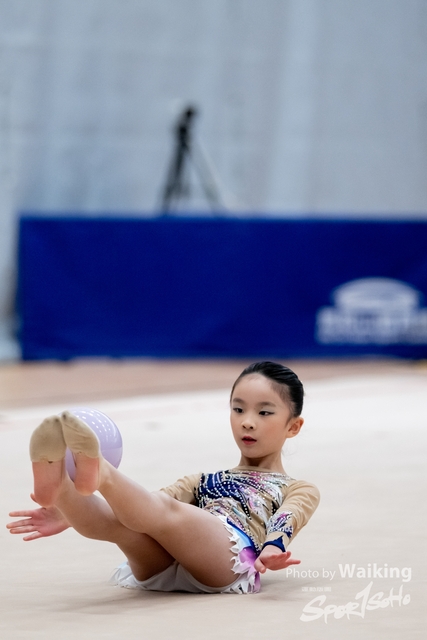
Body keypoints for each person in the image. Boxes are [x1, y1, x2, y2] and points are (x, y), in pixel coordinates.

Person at [7, 361, 320, 595]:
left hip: (226, 560)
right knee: (126, 527)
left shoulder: (298, 488)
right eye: (238, 410)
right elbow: (146, 507)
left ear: (293, 426)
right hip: (165, 562)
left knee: (166, 512)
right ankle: (63, 489)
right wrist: (69, 513)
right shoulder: (203, 480)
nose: (247, 422)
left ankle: (101, 472)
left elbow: (288, 518)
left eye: (264, 413)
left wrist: (273, 549)